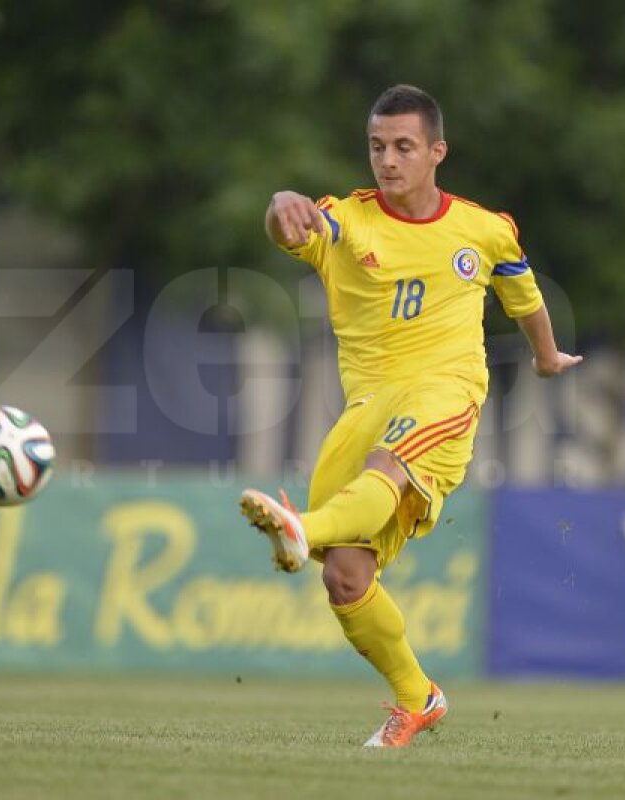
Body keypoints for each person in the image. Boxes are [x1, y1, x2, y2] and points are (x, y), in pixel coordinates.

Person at [239, 84, 581, 748]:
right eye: (376, 147)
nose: (388, 161)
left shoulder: (484, 231)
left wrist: (545, 358)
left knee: (383, 471)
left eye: (403, 147)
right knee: (345, 578)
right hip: (367, 404)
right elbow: (296, 224)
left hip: (446, 392)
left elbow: (526, 300)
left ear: (436, 152)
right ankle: (417, 697)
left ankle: (298, 528)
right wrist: (280, 206)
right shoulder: (347, 220)